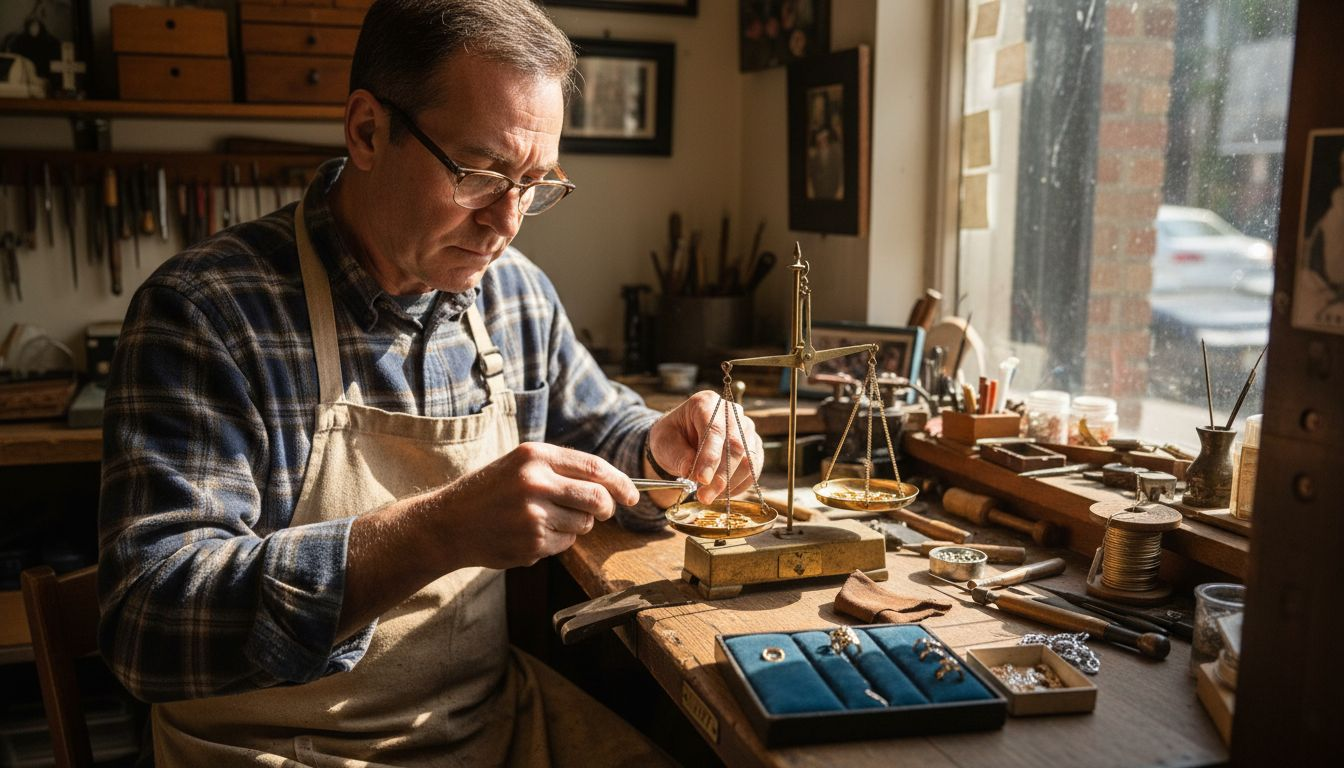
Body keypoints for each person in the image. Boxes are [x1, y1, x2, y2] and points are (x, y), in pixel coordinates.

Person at [96, 1, 761, 765]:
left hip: (489, 724)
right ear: (367, 131)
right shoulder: (208, 313)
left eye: (535, 183)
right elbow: (147, 627)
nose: (507, 222)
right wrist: (435, 532)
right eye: (480, 174)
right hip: (274, 747)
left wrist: (663, 447)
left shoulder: (513, 294)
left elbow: (601, 428)